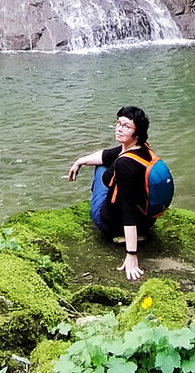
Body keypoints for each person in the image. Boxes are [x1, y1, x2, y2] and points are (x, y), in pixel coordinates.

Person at [67, 105, 156, 282]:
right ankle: (138, 233)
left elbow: (128, 210)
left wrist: (132, 254)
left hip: (110, 223)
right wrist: (80, 161)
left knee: (101, 168)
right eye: (118, 123)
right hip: (146, 222)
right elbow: (111, 154)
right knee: (106, 161)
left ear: (136, 132)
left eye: (126, 126)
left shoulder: (124, 165)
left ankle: (122, 235)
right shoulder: (143, 150)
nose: (119, 128)